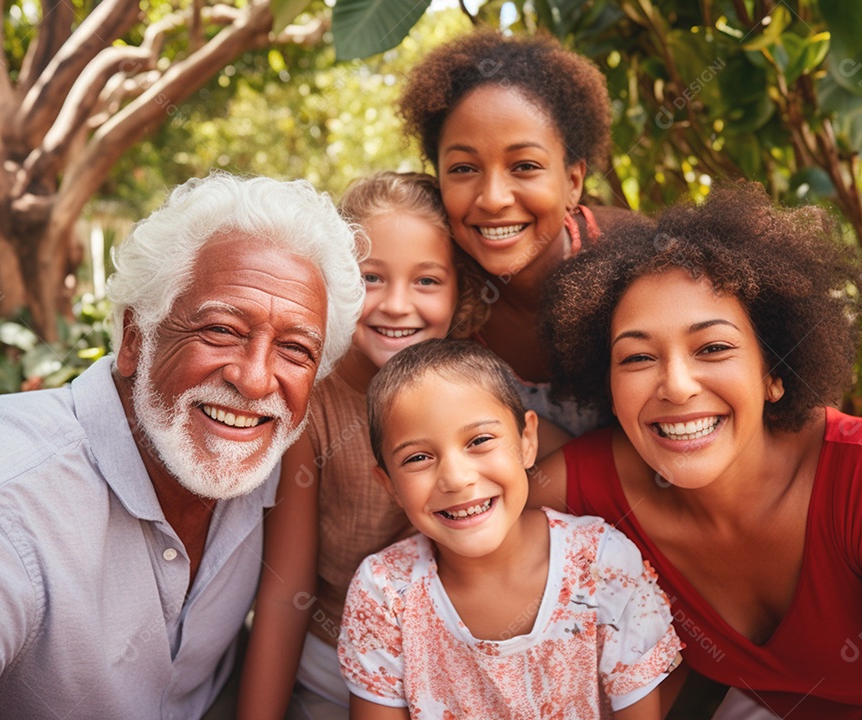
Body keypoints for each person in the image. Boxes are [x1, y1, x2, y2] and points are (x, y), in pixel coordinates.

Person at [0, 172, 364, 719]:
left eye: (295, 350)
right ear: (136, 339)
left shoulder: (265, 470)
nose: (255, 380)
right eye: (222, 330)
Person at [531, 182, 862, 718]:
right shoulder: (594, 483)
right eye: (638, 358)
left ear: (773, 373)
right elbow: (468, 508)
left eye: (712, 348)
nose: (677, 385)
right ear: (610, 391)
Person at [239, 171, 520, 720]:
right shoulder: (312, 400)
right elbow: (286, 588)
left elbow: (557, 458)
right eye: (372, 278)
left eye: (427, 281)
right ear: (339, 282)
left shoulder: (471, 384)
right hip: (332, 658)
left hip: (456, 661)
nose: (397, 305)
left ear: (460, 289)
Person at [338, 339, 683, 719]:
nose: (456, 478)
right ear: (389, 486)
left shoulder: (603, 564)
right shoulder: (384, 591)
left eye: (480, 441)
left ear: (527, 442)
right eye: (418, 458)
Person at [398, 30, 643, 437]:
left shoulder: (638, 261)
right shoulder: (430, 294)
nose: (493, 199)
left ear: (572, 181)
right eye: (463, 169)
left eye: (525, 166)